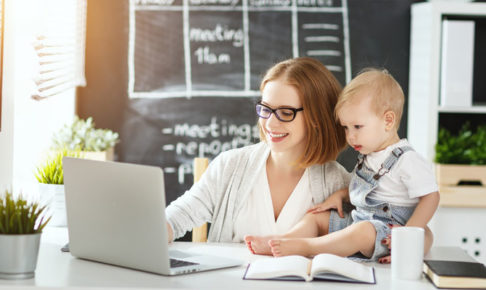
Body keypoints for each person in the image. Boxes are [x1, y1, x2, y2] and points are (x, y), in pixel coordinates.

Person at [245, 68, 440, 263]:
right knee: (317, 218)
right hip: (359, 220)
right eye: (346, 128)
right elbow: (368, 190)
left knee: (361, 231)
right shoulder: (369, 155)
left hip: (386, 232)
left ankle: (306, 246)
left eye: (357, 127)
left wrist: (409, 235)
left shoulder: (407, 160)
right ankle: (281, 241)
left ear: (388, 121)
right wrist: (341, 195)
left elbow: (431, 197)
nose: (350, 136)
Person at [165, 57, 350, 242]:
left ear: (317, 118)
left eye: (286, 113)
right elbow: (178, 216)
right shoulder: (230, 166)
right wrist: (156, 231)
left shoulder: (339, 184)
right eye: (266, 109)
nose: (270, 123)